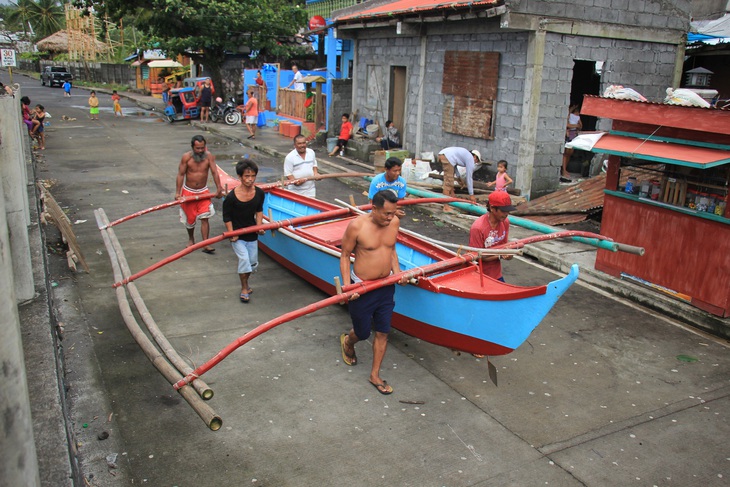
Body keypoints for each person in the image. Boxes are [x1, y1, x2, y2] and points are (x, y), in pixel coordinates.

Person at [339, 190, 410, 395]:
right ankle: (348, 341)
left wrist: (398, 274)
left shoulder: (394, 222)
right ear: (374, 208)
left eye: (393, 213)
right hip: (362, 287)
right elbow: (344, 256)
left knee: (382, 331)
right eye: (386, 213)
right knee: (362, 332)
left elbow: (392, 250)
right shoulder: (357, 226)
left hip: (386, 286)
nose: (391, 218)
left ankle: (375, 375)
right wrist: (347, 286)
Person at [222, 159, 266, 303]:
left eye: (253, 176)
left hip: (252, 233)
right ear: (240, 177)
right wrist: (232, 233)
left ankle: (246, 284)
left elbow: (259, 211)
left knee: (252, 263)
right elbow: (227, 217)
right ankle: (244, 288)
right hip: (237, 235)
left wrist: (259, 227)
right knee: (244, 260)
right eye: (246, 176)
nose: (250, 179)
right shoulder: (231, 197)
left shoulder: (259, 193)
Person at [175, 135, 223, 254]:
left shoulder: (209, 157)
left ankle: (205, 243)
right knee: (190, 219)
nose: (200, 151)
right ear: (192, 147)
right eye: (198, 148)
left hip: (203, 192)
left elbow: (214, 172)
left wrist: (219, 189)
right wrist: (177, 193)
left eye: (202, 148)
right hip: (188, 192)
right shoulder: (186, 157)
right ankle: (191, 240)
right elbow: (181, 175)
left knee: (204, 217)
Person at [468, 191, 516, 282]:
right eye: (503, 211)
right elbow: (476, 256)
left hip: (496, 274)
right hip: (479, 275)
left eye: (508, 211)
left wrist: (509, 254)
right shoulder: (478, 228)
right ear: (492, 208)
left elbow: (504, 247)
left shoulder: (505, 222)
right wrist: (500, 255)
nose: (506, 214)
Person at [561, 104, 582, 182]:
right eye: (576, 111)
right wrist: (575, 125)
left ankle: (565, 169)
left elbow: (580, 126)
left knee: (570, 153)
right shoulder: (569, 116)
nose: (577, 113)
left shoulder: (577, 117)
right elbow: (567, 125)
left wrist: (575, 126)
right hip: (569, 134)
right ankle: (563, 170)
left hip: (573, 134)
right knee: (566, 153)